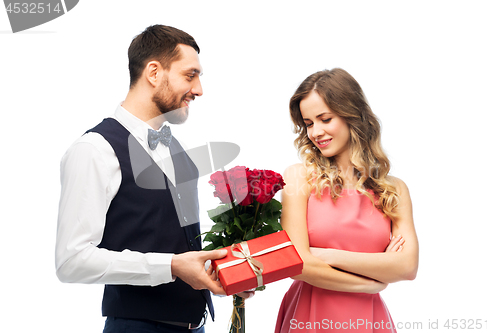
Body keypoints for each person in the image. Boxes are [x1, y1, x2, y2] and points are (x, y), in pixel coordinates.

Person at [55, 25, 249, 333]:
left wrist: (225, 270)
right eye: (190, 75)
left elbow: (168, 236)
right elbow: (72, 261)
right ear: (154, 72)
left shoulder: (175, 145)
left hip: (194, 326)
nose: (199, 89)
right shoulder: (94, 149)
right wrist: (170, 266)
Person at [275, 68, 418, 332]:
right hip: (310, 315)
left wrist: (325, 254)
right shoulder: (299, 178)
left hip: (369, 319)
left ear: (353, 115)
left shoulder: (394, 189)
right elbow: (296, 265)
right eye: (308, 123)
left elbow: (407, 267)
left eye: (325, 119)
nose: (315, 132)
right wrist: (371, 282)